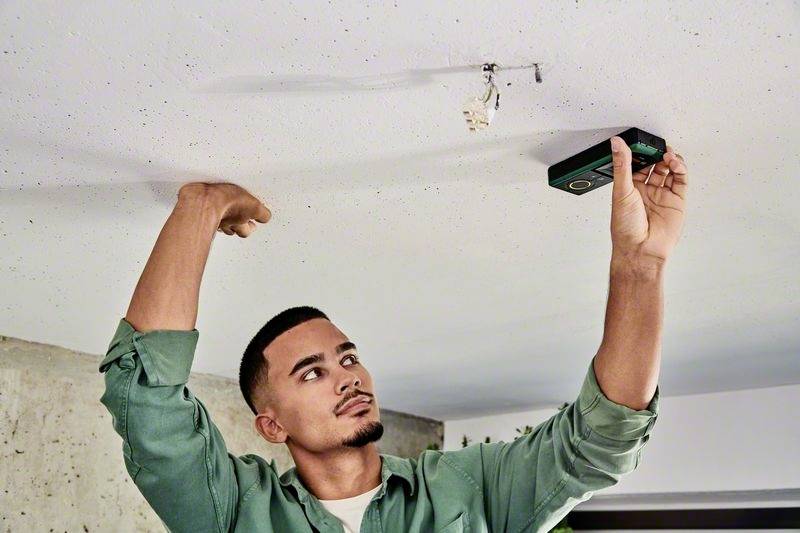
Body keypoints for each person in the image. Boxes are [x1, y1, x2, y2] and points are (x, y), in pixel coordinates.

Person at [99, 137, 688, 532]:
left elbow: (598, 441)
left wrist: (640, 266)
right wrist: (201, 208)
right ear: (270, 424)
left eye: (347, 357)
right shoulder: (234, 511)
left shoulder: (471, 489)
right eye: (312, 373)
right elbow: (149, 406)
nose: (348, 377)